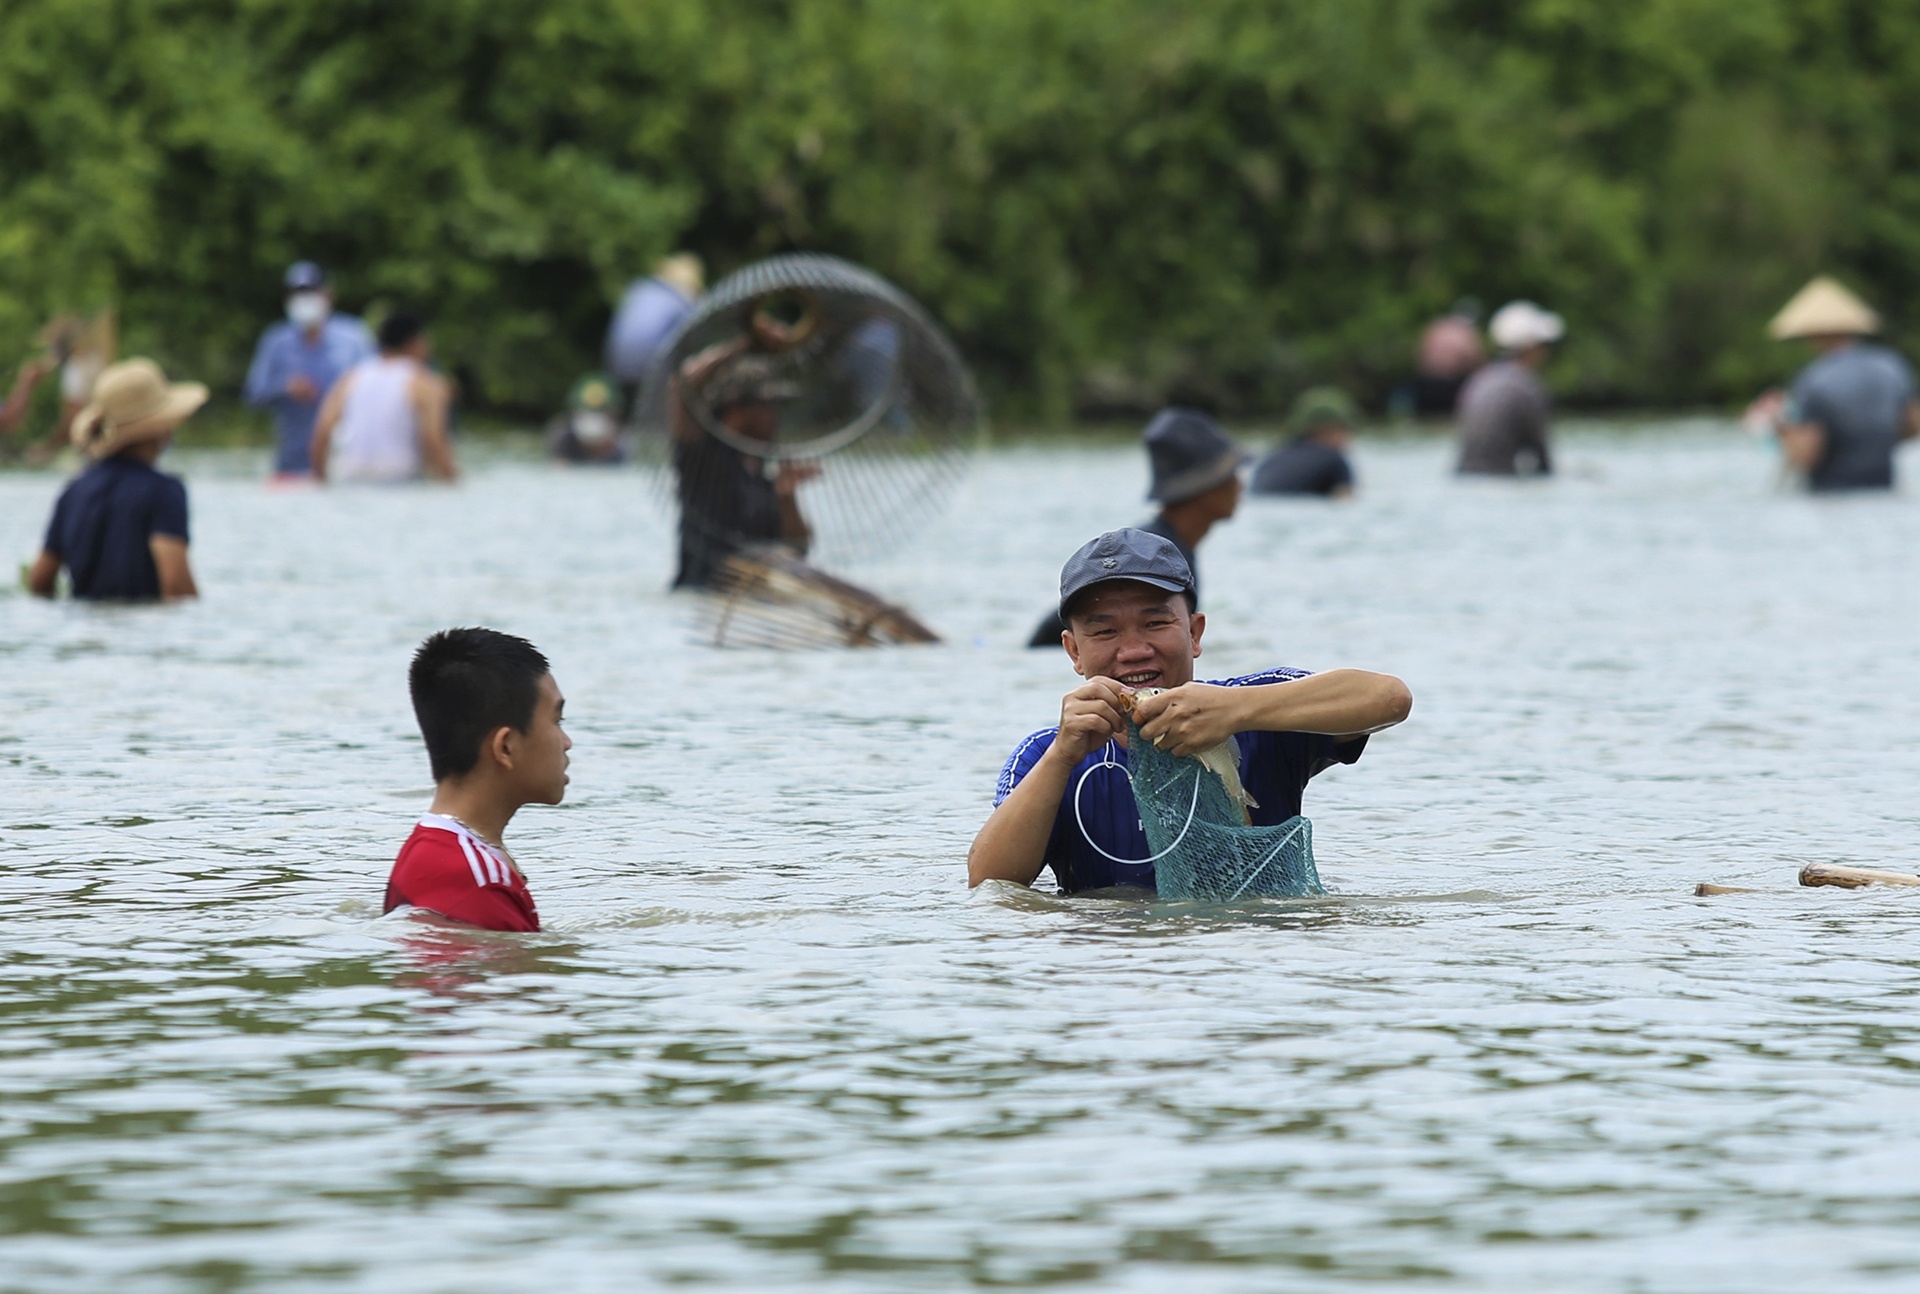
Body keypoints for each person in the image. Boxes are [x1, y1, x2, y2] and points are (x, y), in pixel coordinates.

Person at [972, 528, 1411, 895]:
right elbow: (989, 884)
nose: (1134, 651)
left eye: (1156, 623)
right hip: (1119, 963)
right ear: (1074, 652)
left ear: (1194, 633)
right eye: (1105, 631)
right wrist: (1062, 757)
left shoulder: (1254, 709)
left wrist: (1237, 711)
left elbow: (1389, 698)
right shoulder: (1045, 754)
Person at [383, 628, 570, 933]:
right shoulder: (475, 880)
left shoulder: (436, 851)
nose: (566, 742)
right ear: (506, 747)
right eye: (556, 721)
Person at [1026, 407, 1247, 646]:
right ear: (1204, 487)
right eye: (1230, 473)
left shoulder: (1169, 548)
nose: (1240, 485)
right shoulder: (1160, 556)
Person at [25, 359, 205, 601]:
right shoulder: (164, 491)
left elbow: (39, 582)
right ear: (159, 428)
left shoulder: (75, 490)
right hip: (144, 633)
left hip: (85, 630)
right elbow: (175, 588)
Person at [669, 335, 814, 589]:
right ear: (736, 409)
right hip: (703, 593)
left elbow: (798, 550)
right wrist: (746, 343)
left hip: (752, 598)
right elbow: (682, 385)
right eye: (767, 406)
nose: (775, 417)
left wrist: (787, 498)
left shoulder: (762, 474)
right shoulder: (702, 459)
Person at [1755, 276, 1920, 492]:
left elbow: (1806, 454)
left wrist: (1777, 426)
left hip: (1832, 496)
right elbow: (1913, 426)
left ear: (1814, 335)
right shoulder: (1891, 366)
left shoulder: (1814, 378)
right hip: (1884, 489)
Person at [243, 262, 376, 478]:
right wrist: (285, 388)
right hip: (292, 461)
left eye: (311, 292)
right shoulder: (276, 341)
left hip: (345, 462)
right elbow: (253, 395)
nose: (305, 299)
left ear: (329, 294)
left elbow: (376, 390)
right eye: (298, 293)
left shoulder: (354, 337)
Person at [310, 313, 456, 484]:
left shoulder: (351, 378)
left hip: (352, 481)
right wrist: (451, 481)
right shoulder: (424, 383)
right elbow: (433, 440)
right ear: (414, 342)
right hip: (403, 481)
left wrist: (321, 481)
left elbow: (321, 435)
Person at [1455, 300, 1563, 477]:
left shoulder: (1478, 380)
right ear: (1530, 347)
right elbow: (1543, 463)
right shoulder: (1527, 388)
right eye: (1543, 344)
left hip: (1464, 478)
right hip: (1500, 481)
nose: (1546, 351)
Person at [607, 253, 704, 391]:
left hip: (616, 371)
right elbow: (693, 342)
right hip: (650, 376)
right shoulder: (681, 303)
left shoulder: (638, 289)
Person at [1250, 387, 1359, 497]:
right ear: (1328, 430)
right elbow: (1344, 500)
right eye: (1346, 430)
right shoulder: (1334, 460)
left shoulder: (1271, 458)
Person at [1411, 298, 1485, 415]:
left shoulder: (1437, 326)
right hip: (1449, 384)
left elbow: (1420, 352)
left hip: (1424, 381)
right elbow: (1475, 360)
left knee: (1425, 420)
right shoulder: (1466, 332)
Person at [545, 373, 628, 465]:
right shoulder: (564, 441)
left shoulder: (623, 446)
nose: (593, 421)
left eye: (600, 413)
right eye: (586, 413)